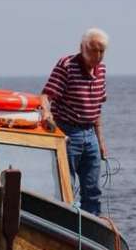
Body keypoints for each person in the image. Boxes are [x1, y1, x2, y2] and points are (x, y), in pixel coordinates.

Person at [41, 28, 109, 216]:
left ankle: (91, 225)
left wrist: (101, 141)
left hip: (90, 133)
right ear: (82, 48)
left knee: (92, 188)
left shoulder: (101, 70)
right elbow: (46, 95)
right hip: (68, 131)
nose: (97, 56)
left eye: (101, 51)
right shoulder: (67, 65)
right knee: (66, 186)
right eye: (93, 50)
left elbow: (96, 108)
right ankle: (65, 222)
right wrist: (46, 114)